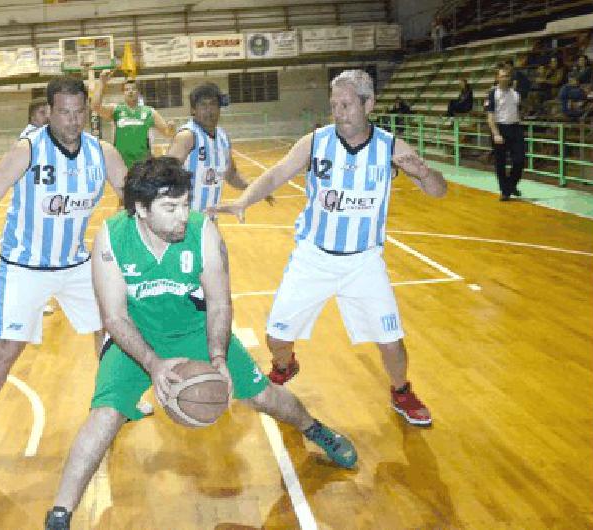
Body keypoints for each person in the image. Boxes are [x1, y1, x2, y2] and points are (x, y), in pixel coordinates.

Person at [43, 156, 358, 529]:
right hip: (136, 337)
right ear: (141, 210)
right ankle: (60, 514)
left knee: (264, 395)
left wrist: (219, 356)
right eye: (170, 207)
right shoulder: (111, 239)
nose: (182, 215)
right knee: (105, 415)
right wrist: (153, 364)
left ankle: (314, 428)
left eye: (185, 203)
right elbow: (114, 317)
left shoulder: (202, 231)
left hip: (195, 330)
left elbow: (220, 302)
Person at [216, 70, 447, 427]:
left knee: (391, 343)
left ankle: (401, 391)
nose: (339, 112)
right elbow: (278, 173)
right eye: (334, 105)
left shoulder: (390, 147)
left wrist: (426, 173)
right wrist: (244, 200)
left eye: (347, 104)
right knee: (276, 336)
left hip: (364, 261)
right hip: (314, 256)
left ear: (369, 104)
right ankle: (284, 365)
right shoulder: (316, 141)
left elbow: (437, 192)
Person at [0, 77, 128, 476]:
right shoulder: (27, 150)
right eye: (63, 112)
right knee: (7, 348)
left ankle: (111, 407)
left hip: (76, 264)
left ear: (88, 109)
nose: (72, 120)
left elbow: (132, 196)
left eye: (79, 111)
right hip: (25, 266)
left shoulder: (104, 154)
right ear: (48, 112)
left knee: (114, 329)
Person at [166, 82, 273, 211]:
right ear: (193, 110)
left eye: (213, 104)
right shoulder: (187, 136)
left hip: (209, 217)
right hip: (186, 218)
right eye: (203, 105)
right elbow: (165, 174)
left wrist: (255, 188)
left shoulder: (223, 137)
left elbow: (231, 175)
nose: (209, 110)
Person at [91, 70, 176, 169]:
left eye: (133, 89)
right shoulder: (116, 110)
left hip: (143, 164)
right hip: (121, 163)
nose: (130, 91)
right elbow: (95, 106)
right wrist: (102, 82)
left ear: (138, 92)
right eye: (127, 89)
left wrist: (171, 128)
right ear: (123, 93)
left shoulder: (149, 112)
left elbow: (168, 133)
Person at [20, 97, 57, 316]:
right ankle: (35, 302)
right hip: (33, 208)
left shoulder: (38, 136)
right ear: (34, 116)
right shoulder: (30, 138)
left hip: (42, 206)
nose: (48, 117)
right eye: (44, 113)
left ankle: (38, 298)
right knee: (36, 258)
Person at [485, 67, 525, 201]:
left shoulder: (515, 94)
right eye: (502, 76)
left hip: (515, 128)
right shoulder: (492, 94)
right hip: (500, 128)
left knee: (519, 160)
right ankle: (505, 191)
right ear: (497, 78)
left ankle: (511, 185)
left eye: (507, 76)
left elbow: (518, 111)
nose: (505, 78)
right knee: (500, 163)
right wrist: (496, 133)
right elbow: (490, 117)